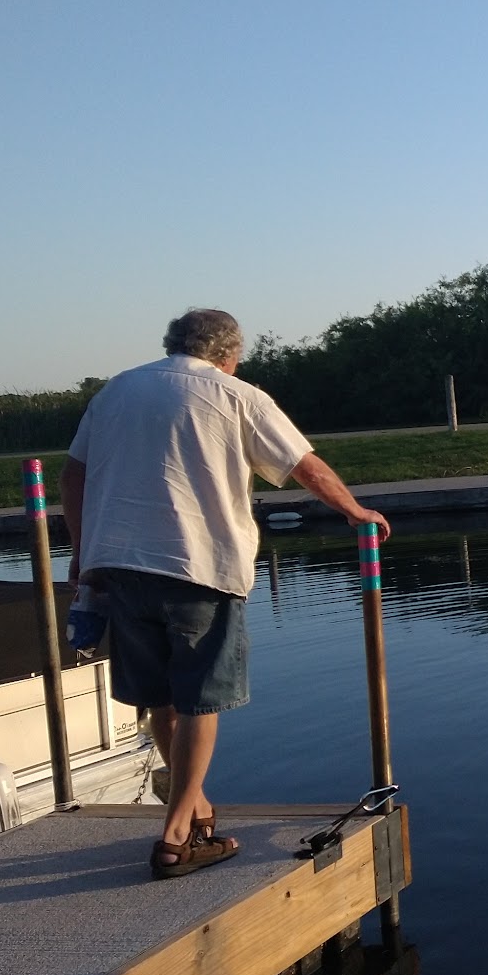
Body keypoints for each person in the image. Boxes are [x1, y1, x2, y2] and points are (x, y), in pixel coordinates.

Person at [61, 309, 391, 880]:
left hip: (117, 565)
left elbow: (73, 475)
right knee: (201, 700)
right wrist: (355, 510)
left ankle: (194, 808)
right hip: (197, 565)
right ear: (228, 354)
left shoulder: (117, 391)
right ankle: (173, 840)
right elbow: (304, 466)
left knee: (162, 697)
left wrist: (82, 549)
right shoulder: (237, 394)